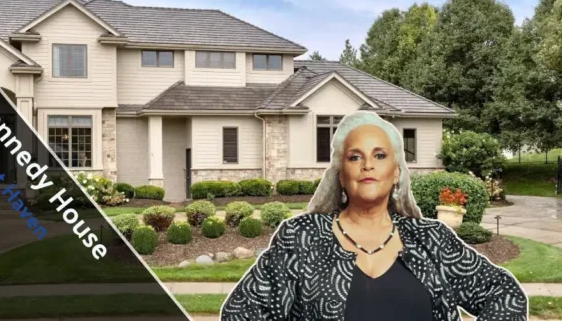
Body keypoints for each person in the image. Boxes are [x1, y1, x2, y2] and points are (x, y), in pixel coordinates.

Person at [220, 111, 528, 321]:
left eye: (379, 155)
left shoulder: (431, 240)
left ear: (396, 172)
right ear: (341, 174)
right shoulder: (301, 238)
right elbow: (242, 312)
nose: (368, 165)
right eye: (355, 157)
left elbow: (504, 295)